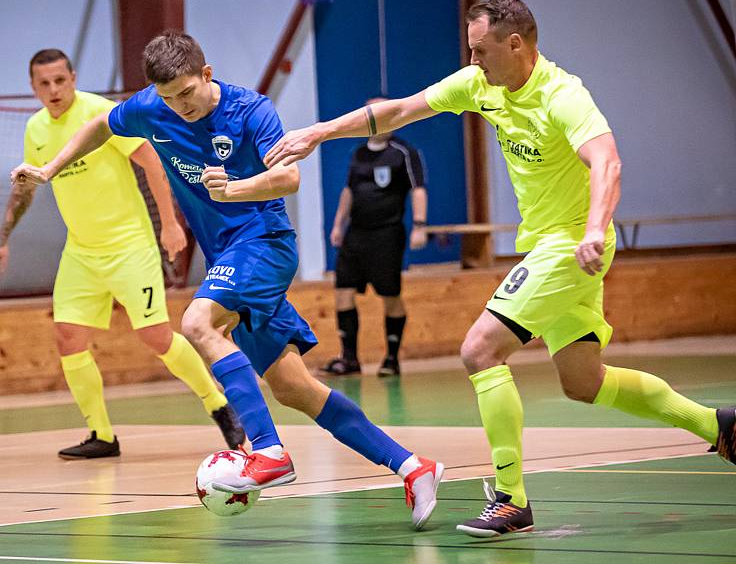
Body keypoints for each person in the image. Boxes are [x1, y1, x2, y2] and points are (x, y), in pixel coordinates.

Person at [262, 0, 736, 538]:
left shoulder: (563, 94)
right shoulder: (480, 86)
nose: (473, 61)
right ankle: (716, 426)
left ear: (515, 43)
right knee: (584, 382)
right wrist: (318, 132)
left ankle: (511, 499)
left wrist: (594, 228)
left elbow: (607, 161)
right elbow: (400, 109)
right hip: (551, 247)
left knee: (479, 349)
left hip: (571, 244)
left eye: (481, 50)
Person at [11, 32, 444, 530]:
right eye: (169, 98)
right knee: (293, 388)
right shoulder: (153, 107)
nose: (180, 107)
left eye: (187, 94)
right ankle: (413, 466)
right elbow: (101, 126)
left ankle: (267, 451)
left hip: (264, 241)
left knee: (196, 322)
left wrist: (237, 188)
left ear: (207, 74)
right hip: (230, 255)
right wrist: (49, 168)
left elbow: (289, 179)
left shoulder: (251, 111)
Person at [0, 49, 244, 459]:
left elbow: (152, 163)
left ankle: (219, 406)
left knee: (156, 337)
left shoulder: (101, 113)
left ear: (73, 78)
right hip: (81, 252)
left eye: (60, 80)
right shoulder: (36, 128)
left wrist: (169, 224)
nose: (53, 90)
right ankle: (102, 435)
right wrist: (5, 235)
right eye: (44, 83)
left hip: (130, 246)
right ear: (33, 88)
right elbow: (26, 187)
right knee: (68, 337)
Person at [324, 97, 428, 377]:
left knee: (390, 295)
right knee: (343, 291)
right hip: (356, 233)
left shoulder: (403, 152)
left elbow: (418, 189)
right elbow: (348, 190)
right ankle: (349, 359)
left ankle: (391, 359)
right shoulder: (359, 152)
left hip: (387, 234)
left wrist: (420, 225)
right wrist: (338, 225)